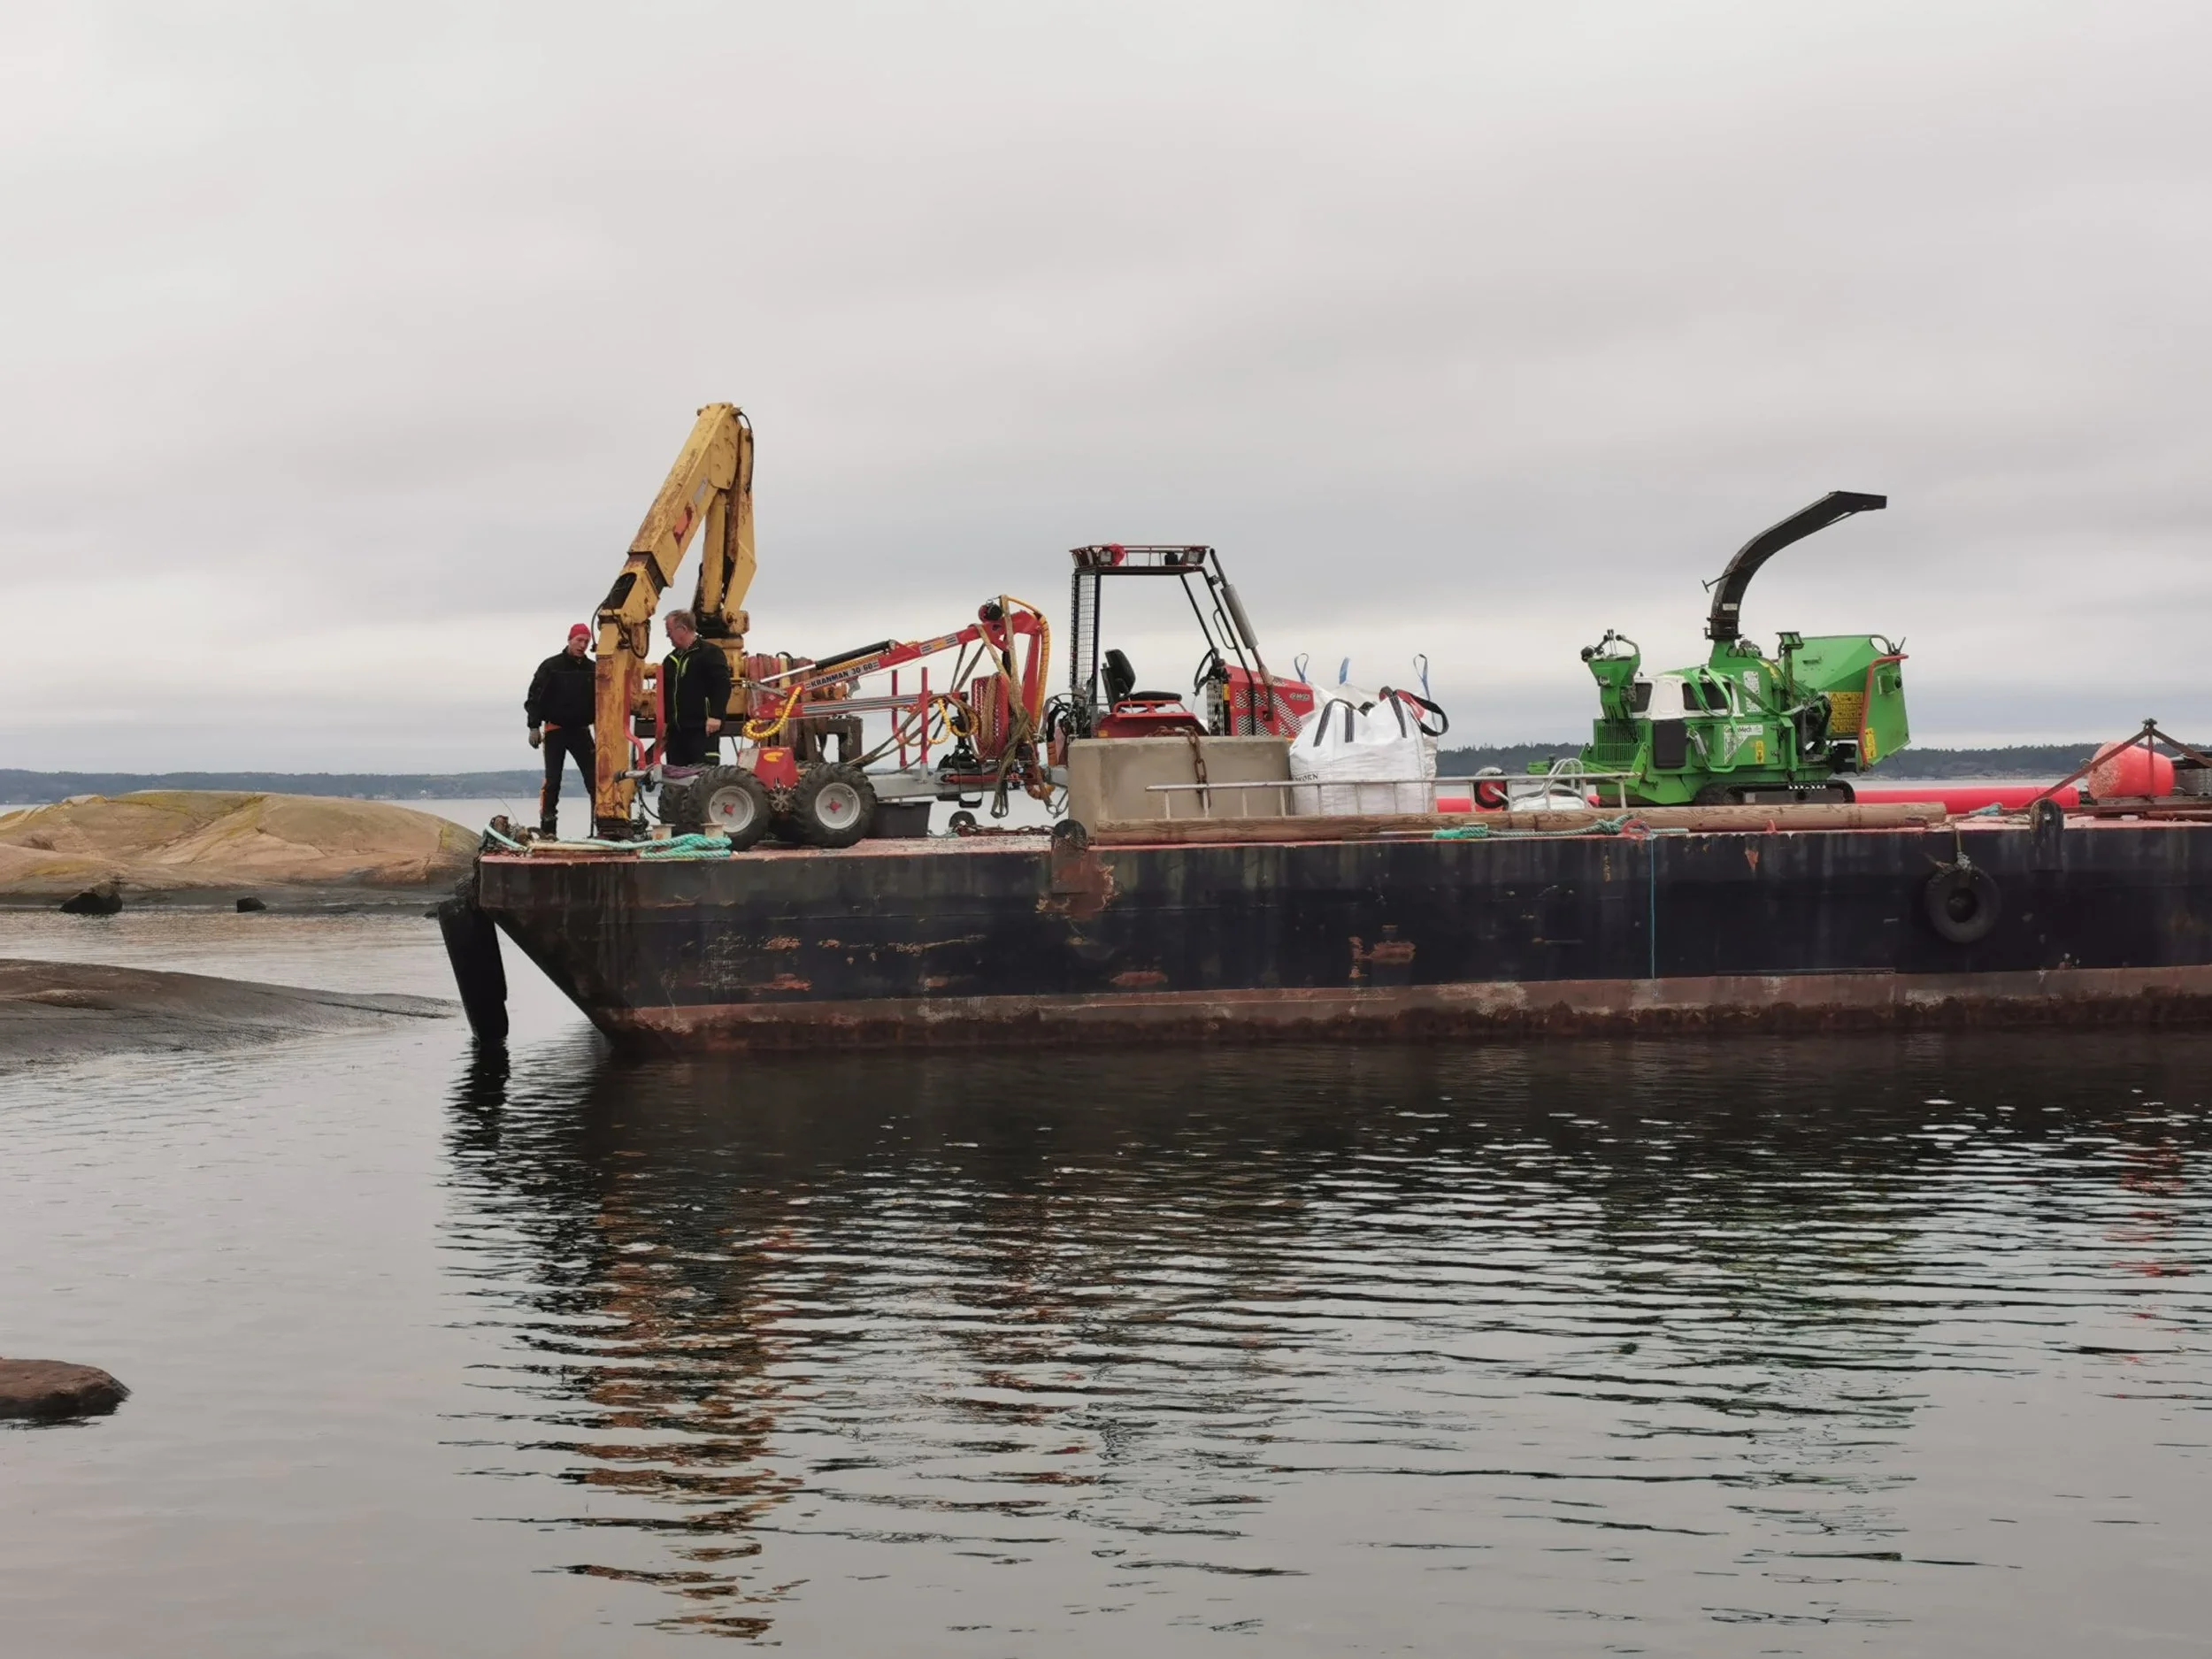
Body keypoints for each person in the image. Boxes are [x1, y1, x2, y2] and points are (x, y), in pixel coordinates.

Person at [526, 624, 597, 837]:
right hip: (555, 729)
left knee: (594, 779)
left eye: (586, 642)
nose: (582, 645)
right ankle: (549, 828)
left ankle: (602, 824)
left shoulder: (593, 669)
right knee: (553, 780)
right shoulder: (551, 666)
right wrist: (533, 727)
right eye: (579, 640)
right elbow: (534, 698)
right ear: (570, 639)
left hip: (581, 730)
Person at [660, 610, 732, 767]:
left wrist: (715, 716)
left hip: (703, 730)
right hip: (677, 734)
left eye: (669, 631)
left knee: (703, 780)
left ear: (683, 630)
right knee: (676, 781)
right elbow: (665, 695)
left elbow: (722, 685)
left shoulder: (710, 653)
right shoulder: (670, 661)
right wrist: (665, 725)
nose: (668, 636)